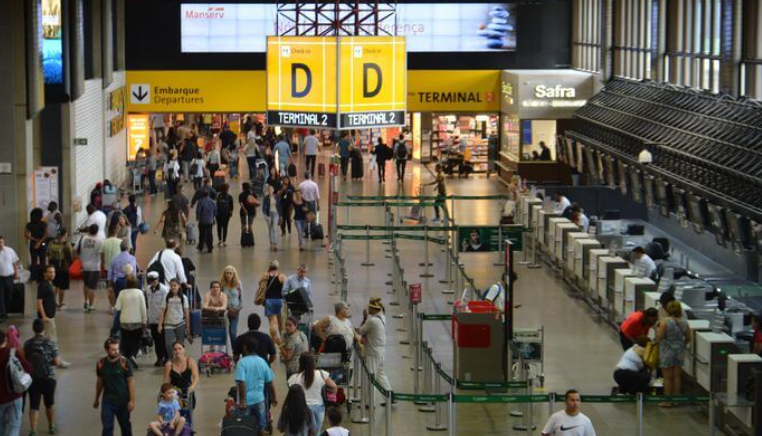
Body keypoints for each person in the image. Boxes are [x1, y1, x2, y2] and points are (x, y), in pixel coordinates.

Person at [24, 318, 61, 435]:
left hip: (32, 378)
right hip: (48, 378)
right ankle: (51, 426)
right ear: (43, 329)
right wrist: (47, 363)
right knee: (49, 403)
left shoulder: (28, 343)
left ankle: (33, 430)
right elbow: (57, 362)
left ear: (33, 329)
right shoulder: (50, 343)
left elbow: (24, 360)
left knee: (34, 405)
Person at [235, 334, 276, 434]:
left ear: (245, 347)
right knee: (261, 428)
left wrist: (243, 400)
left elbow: (241, 383)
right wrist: (274, 398)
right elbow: (270, 382)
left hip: (246, 402)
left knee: (244, 428)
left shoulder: (242, 363)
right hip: (259, 400)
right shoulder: (263, 362)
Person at [94, 338, 135, 436]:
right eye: (113, 350)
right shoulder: (101, 364)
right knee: (107, 427)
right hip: (108, 401)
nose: (117, 352)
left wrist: (132, 400)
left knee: (125, 427)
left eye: (117, 349)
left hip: (123, 401)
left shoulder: (124, 362)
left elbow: (131, 382)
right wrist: (96, 399)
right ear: (106, 350)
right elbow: (100, 382)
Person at [288, 353, 336, 434]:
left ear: (300, 363)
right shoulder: (321, 374)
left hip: (301, 409)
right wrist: (331, 397)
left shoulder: (294, 378)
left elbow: (292, 394)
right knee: (316, 432)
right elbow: (334, 387)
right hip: (319, 407)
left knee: (303, 432)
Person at [657, 300, 690, 406]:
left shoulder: (665, 321)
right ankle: (676, 399)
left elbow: (660, 337)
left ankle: (667, 401)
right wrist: (682, 344)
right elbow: (688, 337)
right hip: (679, 351)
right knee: (676, 376)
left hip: (666, 351)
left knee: (667, 377)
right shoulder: (684, 322)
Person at [0, 328, 32, 436]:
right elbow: (28, 368)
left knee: (1, 426)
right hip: (15, 396)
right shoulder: (12, 353)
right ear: (5, 339)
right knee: (14, 426)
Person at [357, 298, 391, 395]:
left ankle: (370, 403)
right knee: (380, 374)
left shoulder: (372, 321)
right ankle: (389, 396)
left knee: (371, 377)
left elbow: (360, 331)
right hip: (380, 351)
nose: (368, 309)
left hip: (372, 352)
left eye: (369, 308)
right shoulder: (382, 317)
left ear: (374, 309)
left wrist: (364, 318)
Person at [114, 275, 147, 368]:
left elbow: (117, 308)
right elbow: (143, 307)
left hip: (125, 321)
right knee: (135, 341)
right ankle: (133, 355)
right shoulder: (139, 293)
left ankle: (126, 359)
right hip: (137, 321)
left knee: (125, 341)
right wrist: (144, 320)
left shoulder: (122, 293)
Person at [158, 280, 191, 357]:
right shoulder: (166, 297)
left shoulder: (183, 298)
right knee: (168, 344)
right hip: (168, 324)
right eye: (171, 285)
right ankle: (171, 359)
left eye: (175, 285)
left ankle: (180, 359)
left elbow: (186, 313)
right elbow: (162, 311)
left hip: (180, 323)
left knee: (180, 345)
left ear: (179, 286)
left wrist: (188, 327)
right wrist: (159, 325)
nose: (173, 287)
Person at [145, 271, 169, 366]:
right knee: (156, 340)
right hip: (152, 319)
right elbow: (148, 304)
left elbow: (166, 306)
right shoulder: (148, 289)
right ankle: (159, 358)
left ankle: (166, 357)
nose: (152, 283)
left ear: (158, 279)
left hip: (161, 320)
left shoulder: (164, 290)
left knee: (163, 340)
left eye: (153, 281)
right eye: (150, 281)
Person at [259, 260, 286, 343]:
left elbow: (260, 286)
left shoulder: (264, 275)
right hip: (280, 301)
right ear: (277, 267)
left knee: (272, 323)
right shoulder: (282, 276)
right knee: (281, 324)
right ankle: (283, 341)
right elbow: (287, 288)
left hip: (269, 301)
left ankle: (275, 341)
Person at [77, 224, 102, 312]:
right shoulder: (99, 241)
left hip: (84, 266)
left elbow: (74, 250)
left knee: (86, 285)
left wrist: (78, 260)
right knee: (92, 287)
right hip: (95, 267)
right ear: (97, 231)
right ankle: (91, 306)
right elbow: (101, 253)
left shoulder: (82, 239)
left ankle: (86, 301)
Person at [100, 227, 125, 312]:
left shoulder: (104, 242)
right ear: (116, 232)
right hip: (119, 269)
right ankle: (118, 305)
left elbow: (102, 256)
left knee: (110, 288)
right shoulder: (120, 242)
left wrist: (103, 264)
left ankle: (112, 306)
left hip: (108, 269)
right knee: (118, 288)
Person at [108, 240, 137, 305]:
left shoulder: (114, 258)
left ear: (120, 248)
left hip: (117, 283)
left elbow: (110, 274)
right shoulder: (132, 258)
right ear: (127, 248)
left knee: (118, 299)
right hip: (128, 282)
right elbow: (134, 273)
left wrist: (109, 285)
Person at [221, 266, 243, 347]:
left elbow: (241, 297)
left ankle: (235, 350)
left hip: (235, 310)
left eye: (230, 273)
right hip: (225, 311)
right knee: (223, 332)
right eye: (227, 273)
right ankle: (223, 350)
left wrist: (239, 308)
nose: (228, 275)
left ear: (234, 274)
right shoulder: (222, 285)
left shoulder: (238, 284)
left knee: (232, 331)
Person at [0, 236, 20, 322]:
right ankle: (3, 314)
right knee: (1, 296)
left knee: (9, 295)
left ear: (4, 243)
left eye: (1, 242)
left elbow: (14, 263)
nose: (0, 244)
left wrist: (16, 274)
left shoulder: (10, 250)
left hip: (9, 277)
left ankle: (5, 311)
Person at [26, 208, 48, 282]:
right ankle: (43, 277)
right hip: (43, 243)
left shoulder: (29, 224)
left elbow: (26, 235)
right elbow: (46, 234)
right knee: (43, 261)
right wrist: (40, 241)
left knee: (34, 261)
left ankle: (33, 277)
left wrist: (35, 240)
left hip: (33, 243)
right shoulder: (44, 224)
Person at [263, 185, 281, 252]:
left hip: (276, 213)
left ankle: (275, 243)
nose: (270, 191)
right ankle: (271, 243)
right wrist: (265, 215)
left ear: (273, 190)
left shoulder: (277, 197)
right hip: (269, 214)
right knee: (270, 229)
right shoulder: (266, 198)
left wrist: (280, 216)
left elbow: (279, 206)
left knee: (274, 228)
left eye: (271, 189)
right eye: (269, 190)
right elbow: (263, 207)